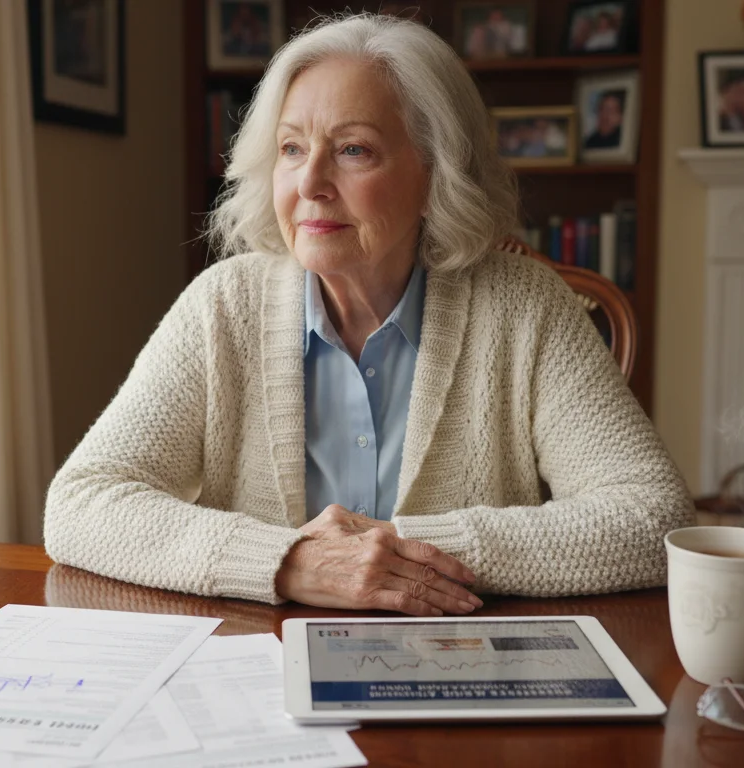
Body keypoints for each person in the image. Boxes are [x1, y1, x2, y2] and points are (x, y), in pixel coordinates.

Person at [43, 13, 692, 615]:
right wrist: (291, 562)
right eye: (293, 149)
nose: (309, 183)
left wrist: (400, 552)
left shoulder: (526, 308)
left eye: (353, 150)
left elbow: (653, 517)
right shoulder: (223, 307)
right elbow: (82, 503)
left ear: (438, 174)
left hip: (463, 672)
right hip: (258, 676)